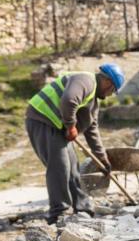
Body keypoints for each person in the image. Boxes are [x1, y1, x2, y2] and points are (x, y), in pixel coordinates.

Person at [25, 63, 124, 225]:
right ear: (107, 82)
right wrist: (71, 126)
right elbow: (69, 100)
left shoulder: (93, 102)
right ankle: (59, 214)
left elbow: (92, 130)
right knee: (60, 167)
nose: (109, 95)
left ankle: (83, 208)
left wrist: (102, 158)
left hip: (58, 126)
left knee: (73, 167)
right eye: (112, 90)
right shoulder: (86, 80)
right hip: (42, 118)